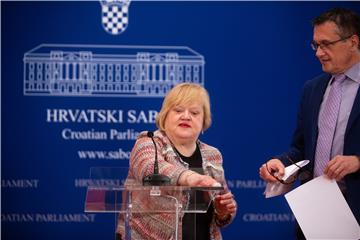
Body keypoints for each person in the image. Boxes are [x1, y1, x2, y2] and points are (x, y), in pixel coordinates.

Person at [259, 7, 360, 239]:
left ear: (353, 42)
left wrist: (357, 161)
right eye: (316, 45)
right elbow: (302, 148)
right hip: (316, 213)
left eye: (326, 44)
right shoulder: (312, 89)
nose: (318, 53)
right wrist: (282, 163)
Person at [116, 83, 237, 240]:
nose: (186, 116)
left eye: (194, 113)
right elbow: (150, 171)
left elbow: (223, 211)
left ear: (203, 122)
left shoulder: (213, 155)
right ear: (165, 116)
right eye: (178, 110)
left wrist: (223, 210)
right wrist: (192, 178)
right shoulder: (148, 142)